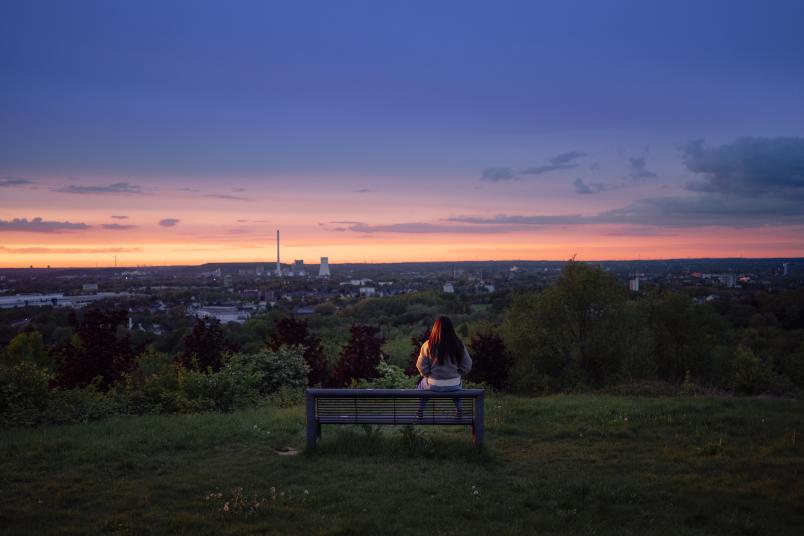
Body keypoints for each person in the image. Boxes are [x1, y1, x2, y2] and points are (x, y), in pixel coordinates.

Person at [415, 316, 472, 418]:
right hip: (454, 384)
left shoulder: (428, 345)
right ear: (451, 329)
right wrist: (458, 373)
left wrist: (427, 375)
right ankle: (459, 411)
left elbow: (421, 366)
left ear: (435, 328)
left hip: (433, 384)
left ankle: (420, 410)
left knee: (421, 386)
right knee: (458, 384)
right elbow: (467, 365)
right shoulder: (459, 345)